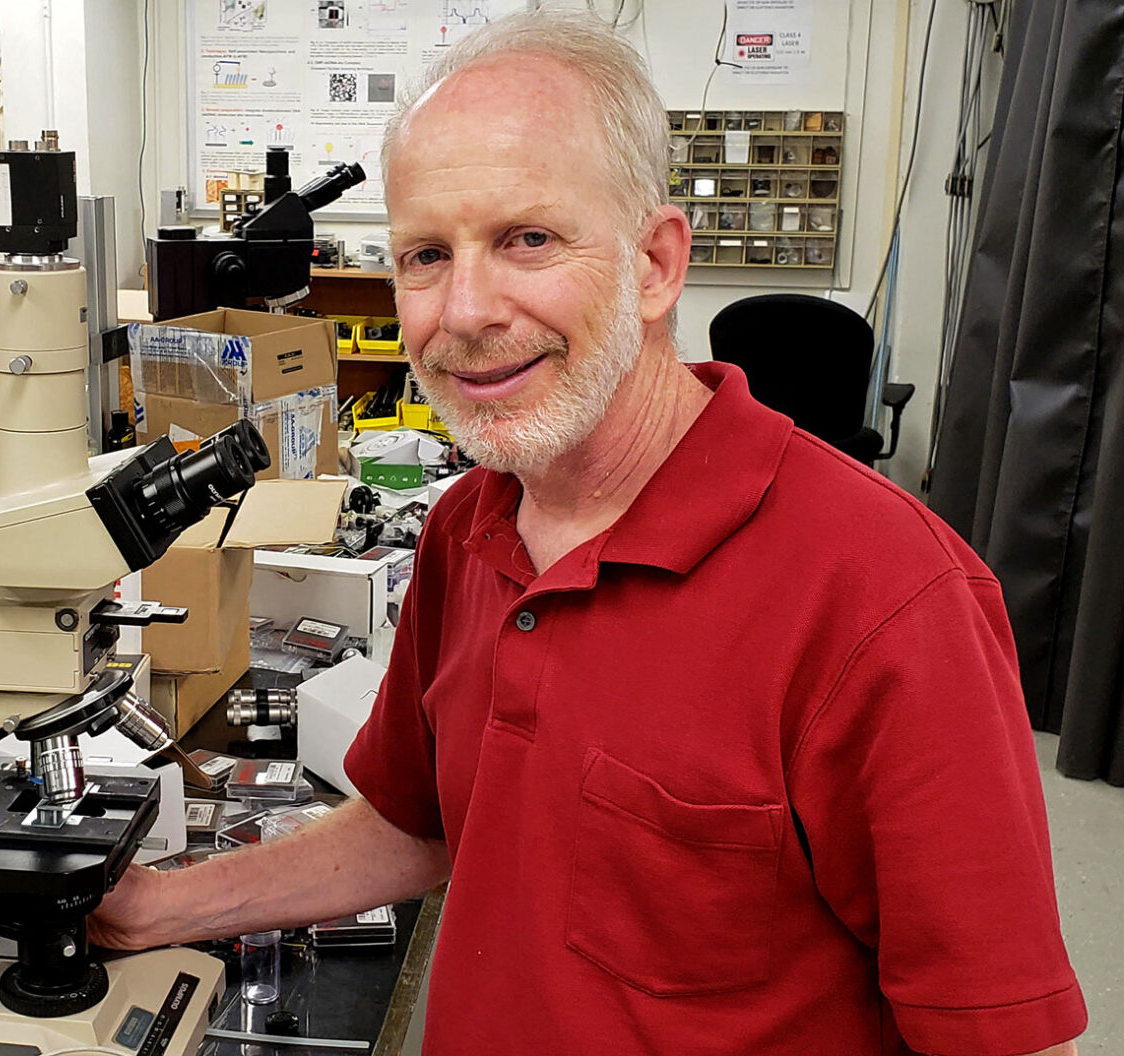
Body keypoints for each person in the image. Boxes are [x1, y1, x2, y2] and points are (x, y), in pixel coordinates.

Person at [88, 12, 1085, 1054]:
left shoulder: (887, 599)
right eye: (426, 254)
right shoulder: (467, 527)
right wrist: (161, 908)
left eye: (527, 239)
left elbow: (997, 1035)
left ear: (654, 265)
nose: (464, 311)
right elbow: (419, 823)